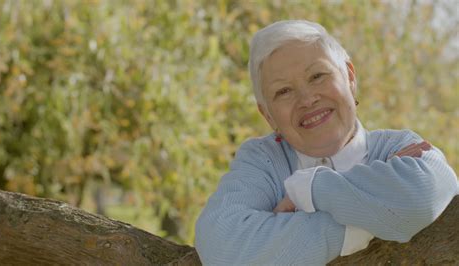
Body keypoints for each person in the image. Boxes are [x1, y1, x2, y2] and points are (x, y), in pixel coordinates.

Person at [195, 20, 458, 265]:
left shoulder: (400, 146)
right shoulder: (262, 159)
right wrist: (370, 221)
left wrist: (309, 189)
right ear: (267, 114)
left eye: (317, 76)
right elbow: (220, 246)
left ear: (350, 77)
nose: (307, 99)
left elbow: (423, 197)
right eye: (283, 91)